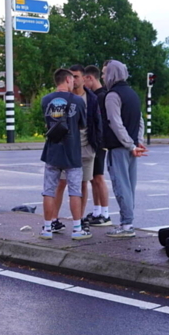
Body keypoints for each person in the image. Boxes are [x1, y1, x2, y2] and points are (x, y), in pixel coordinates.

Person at [39, 69, 90, 241]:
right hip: (72, 151)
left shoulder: (45, 100)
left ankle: (47, 228)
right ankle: (77, 229)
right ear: (68, 79)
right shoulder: (77, 101)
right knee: (75, 191)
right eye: (72, 80)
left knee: (49, 190)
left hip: (52, 150)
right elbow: (82, 125)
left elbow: (48, 124)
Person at [102, 60, 148, 238]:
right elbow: (140, 120)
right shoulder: (132, 94)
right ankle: (128, 221)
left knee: (121, 186)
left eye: (105, 73)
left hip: (119, 147)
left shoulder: (112, 95)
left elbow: (115, 123)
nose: (104, 77)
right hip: (131, 148)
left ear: (112, 74)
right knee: (130, 186)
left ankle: (126, 224)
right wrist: (137, 142)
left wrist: (129, 144)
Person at [70, 64, 102, 227]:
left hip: (86, 147)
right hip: (67, 149)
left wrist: (95, 145)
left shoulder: (92, 98)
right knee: (61, 183)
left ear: (83, 78)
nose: (73, 80)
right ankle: (52, 221)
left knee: (84, 183)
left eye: (76, 76)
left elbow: (98, 122)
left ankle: (80, 219)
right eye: (71, 76)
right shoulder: (64, 97)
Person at [83, 65, 112, 226]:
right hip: (94, 142)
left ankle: (106, 214)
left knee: (99, 177)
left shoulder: (102, 96)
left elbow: (103, 122)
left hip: (99, 143)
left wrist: (102, 142)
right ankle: (97, 211)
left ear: (90, 78)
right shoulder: (94, 95)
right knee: (93, 178)